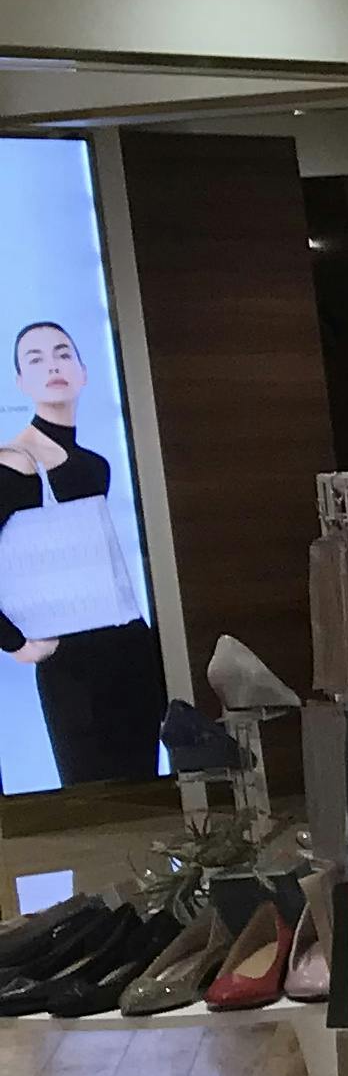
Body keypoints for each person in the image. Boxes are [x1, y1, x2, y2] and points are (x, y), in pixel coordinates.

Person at [0, 319, 160, 787]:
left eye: (63, 353)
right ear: (20, 382)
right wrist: (15, 642)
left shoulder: (95, 465)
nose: (53, 366)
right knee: (96, 798)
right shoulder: (14, 464)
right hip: (71, 661)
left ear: (84, 371)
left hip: (128, 645)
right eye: (36, 359)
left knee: (147, 791)